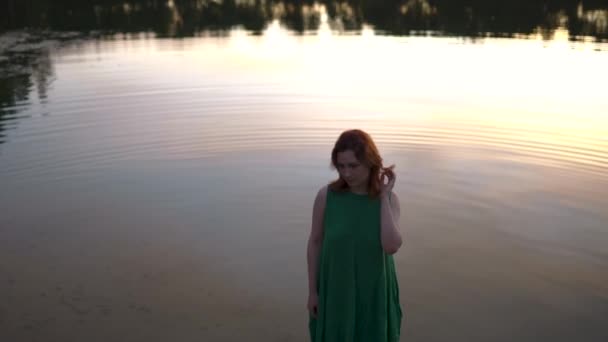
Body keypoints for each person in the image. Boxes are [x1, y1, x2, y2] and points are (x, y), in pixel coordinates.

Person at [307, 129, 403, 341]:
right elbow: (315, 242)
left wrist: (383, 196)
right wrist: (313, 291)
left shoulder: (389, 200)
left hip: (374, 290)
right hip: (336, 288)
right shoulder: (326, 196)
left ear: (370, 163)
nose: (347, 173)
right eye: (341, 166)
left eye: (353, 166)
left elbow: (391, 246)